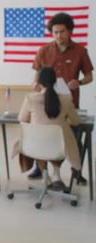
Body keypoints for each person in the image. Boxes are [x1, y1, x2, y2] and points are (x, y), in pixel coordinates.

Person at [28, 12, 93, 182]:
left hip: (69, 104)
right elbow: (35, 79)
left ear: (70, 31)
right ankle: (39, 169)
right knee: (42, 136)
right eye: (55, 32)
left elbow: (89, 77)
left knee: (74, 138)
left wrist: (78, 82)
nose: (58, 35)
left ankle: (76, 171)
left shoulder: (80, 51)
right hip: (45, 104)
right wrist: (35, 86)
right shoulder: (43, 51)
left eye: (62, 31)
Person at [13, 67, 81, 189]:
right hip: (59, 148)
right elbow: (76, 121)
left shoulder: (30, 98)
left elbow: (22, 119)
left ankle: (45, 176)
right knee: (59, 141)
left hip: (35, 147)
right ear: (55, 81)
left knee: (40, 142)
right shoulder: (65, 99)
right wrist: (65, 120)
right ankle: (56, 174)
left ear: (38, 82)